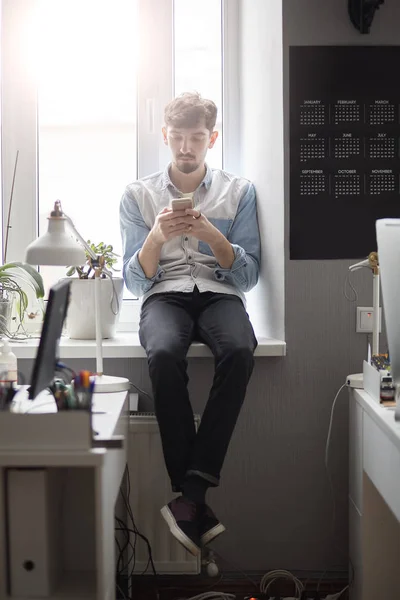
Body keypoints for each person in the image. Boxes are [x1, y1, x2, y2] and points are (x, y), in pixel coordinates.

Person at [120, 92, 260, 557]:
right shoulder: (137, 195)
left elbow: (248, 275)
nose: (185, 147)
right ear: (165, 136)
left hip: (219, 294)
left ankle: (190, 495)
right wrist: (156, 238)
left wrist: (212, 236)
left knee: (240, 350)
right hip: (165, 295)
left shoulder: (238, 192)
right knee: (161, 353)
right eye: (177, 136)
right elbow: (137, 281)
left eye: (196, 138)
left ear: (212, 139)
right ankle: (193, 493)